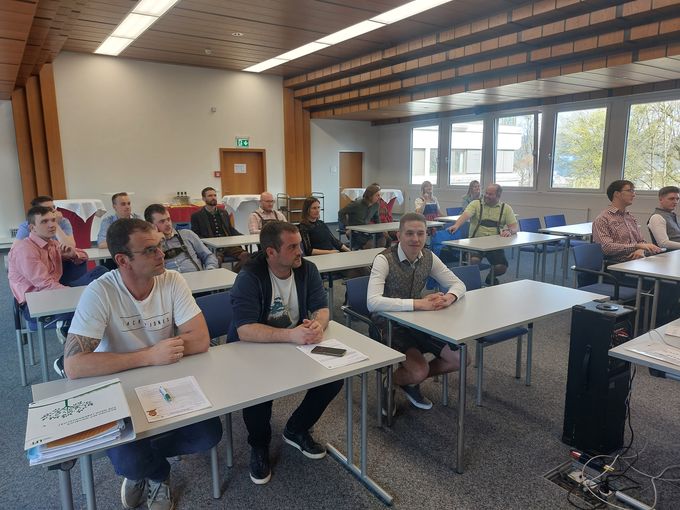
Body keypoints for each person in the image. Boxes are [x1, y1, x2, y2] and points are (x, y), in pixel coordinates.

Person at [62, 218, 222, 510]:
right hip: (119, 385)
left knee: (208, 435)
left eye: (160, 246)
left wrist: (160, 356)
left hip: (167, 379)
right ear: (123, 260)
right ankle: (157, 473)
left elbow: (199, 340)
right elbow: (74, 365)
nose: (162, 254)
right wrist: (148, 356)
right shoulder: (100, 292)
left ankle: (146, 466)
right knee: (130, 462)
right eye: (150, 250)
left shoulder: (172, 280)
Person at [229, 221, 342, 486]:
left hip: (297, 342)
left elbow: (322, 309)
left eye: (300, 244)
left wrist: (317, 325)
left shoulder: (307, 269)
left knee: (334, 376)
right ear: (271, 252)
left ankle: (296, 428)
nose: (300, 251)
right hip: (254, 347)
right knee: (258, 391)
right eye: (292, 247)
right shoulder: (249, 277)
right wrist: (290, 335)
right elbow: (244, 330)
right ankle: (259, 445)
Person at [367, 213, 466, 411]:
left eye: (421, 233)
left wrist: (450, 297)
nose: (416, 239)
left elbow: (458, 284)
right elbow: (373, 303)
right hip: (387, 324)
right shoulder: (384, 259)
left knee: (460, 359)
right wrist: (418, 304)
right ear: (398, 235)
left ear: (427, 235)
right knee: (420, 369)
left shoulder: (428, 257)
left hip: (419, 321)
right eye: (409, 233)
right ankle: (392, 383)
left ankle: (408, 381)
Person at [8, 206, 107, 343]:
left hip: (55, 292)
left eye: (53, 220)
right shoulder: (25, 249)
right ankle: (69, 324)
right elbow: (45, 284)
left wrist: (73, 255)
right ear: (32, 228)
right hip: (36, 303)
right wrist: (78, 295)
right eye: (44, 222)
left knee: (101, 272)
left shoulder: (52, 243)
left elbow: (84, 255)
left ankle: (72, 321)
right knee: (94, 302)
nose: (51, 225)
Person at [447, 183, 518, 285]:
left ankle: (491, 276)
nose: (487, 196)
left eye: (490, 194)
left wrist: (509, 231)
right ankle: (474, 282)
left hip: (495, 244)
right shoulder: (476, 204)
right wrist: (456, 225)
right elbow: (465, 215)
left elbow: (514, 227)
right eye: (486, 193)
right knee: (474, 261)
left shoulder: (506, 208)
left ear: (498, 196)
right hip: (475, 242)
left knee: (502, 267)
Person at [592, 180, 662, 263]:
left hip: (638, 260)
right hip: (618, 265)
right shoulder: (602, 219)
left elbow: (641, 241)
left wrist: (640, 250)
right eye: (630, 191)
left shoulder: (629, 216)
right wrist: (637, 246)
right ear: (617, 194)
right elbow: (606, 248)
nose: (634, 194)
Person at [145, 204, 219, 272]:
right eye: (162, 221)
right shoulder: (148, 245)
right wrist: (156, 241)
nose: (167, 224)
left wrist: (210, 269)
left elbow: (208, 256)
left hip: (197, 279)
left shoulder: (187, 234)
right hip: (171, 285)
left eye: (168, 219)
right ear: (151, 225)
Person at [190, 187, 250, 270]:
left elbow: (230, 229)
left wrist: (243, 237)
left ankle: (234, 275)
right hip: (212, 248)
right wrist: (208, 243)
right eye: (210, 196)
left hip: (228, 245)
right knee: (215, 261)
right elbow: (195, 235)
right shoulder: (197, 216)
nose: (213, 197)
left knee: (247, 256)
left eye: (215, 195)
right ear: (204, 198)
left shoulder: (223, 213)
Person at [338, 183, 387, 249]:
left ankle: (380, 256)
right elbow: (341, 212)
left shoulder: (376, 205)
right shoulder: (356, 204)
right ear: (370, 196)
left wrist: (381, 229)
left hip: (367, 230)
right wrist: (347, 226)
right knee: (370, 244)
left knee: (386, 238)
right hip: (356, 231)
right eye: (377, 195)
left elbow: (376, 218)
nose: (379, 197)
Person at [647, 186, 680, 250]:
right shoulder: (657, 217)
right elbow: (663, 243)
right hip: (669, 255)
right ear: (661, 199)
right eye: (671, 199)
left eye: (677, 199)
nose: (675, 202)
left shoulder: (673, 215)